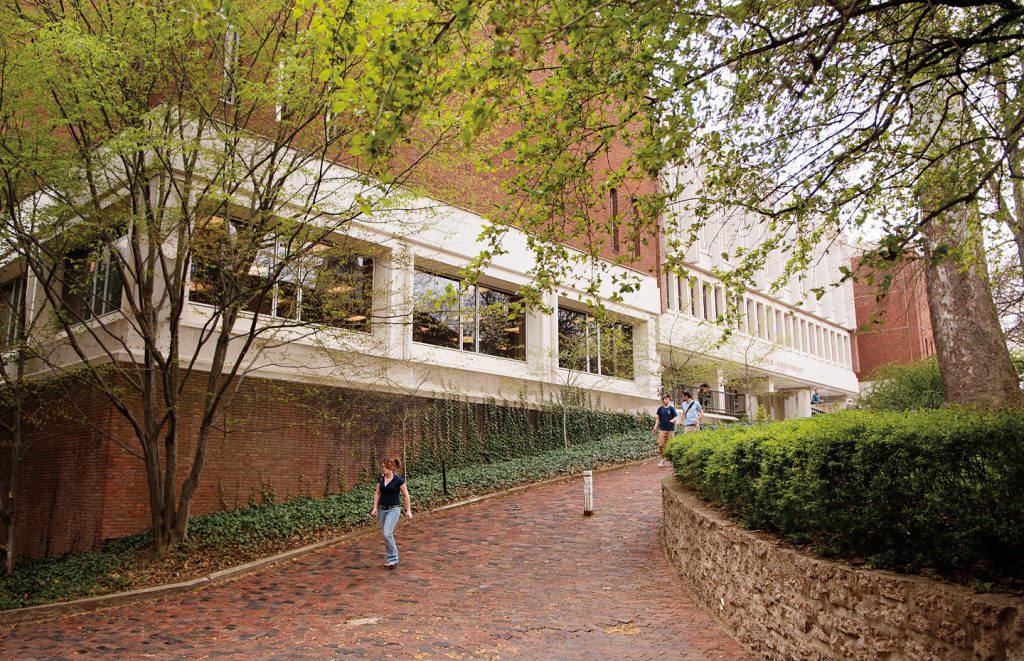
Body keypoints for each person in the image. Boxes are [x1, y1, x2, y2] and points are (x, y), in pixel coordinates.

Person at [370, 457, 412, 568]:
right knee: (386, 535)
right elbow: (377, 493)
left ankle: (393, 557)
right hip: (382, 509)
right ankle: (390, 559)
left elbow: (406, 495)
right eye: (382, 467)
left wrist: (408, 510)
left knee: (387, 534)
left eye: (385, 467)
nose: (383, 469)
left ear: (391, 467)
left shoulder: (399, 480)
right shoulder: (380, 479)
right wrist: (374, 508)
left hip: (394, 509)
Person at [652, 395, 678, 467]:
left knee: (671, 445)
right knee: (661, 445)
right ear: (663, 400)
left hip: (670, 430)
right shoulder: (660, 409)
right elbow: (657, 419)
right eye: (666, 399)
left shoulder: (671, 408)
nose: (667, 400)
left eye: (668, 399)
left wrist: (673, 420)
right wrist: (655, 427)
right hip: (662, 430)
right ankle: (663, 458)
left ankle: (673, 460)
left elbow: (675, 417)